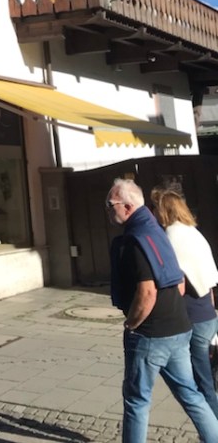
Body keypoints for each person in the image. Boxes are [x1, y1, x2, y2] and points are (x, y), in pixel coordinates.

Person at [106, 177, 218, 443]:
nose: (108, 210)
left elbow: (147, 293)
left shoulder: (137, 239)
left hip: (151, 334)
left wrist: (132, 324)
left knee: (136, 400)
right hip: (180, 327)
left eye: (110, 205)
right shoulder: (160, 232)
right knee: (190, 393)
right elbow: (179, 283)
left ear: (127, 206)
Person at [151, 186, 218, 417]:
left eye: (155, 208)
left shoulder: (172, 237)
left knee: (201, 384)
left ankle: (213, 429)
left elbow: (173, 282)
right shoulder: (193, 233)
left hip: (193, 317)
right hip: (207, 314)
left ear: (164, 210)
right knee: (205, 380)